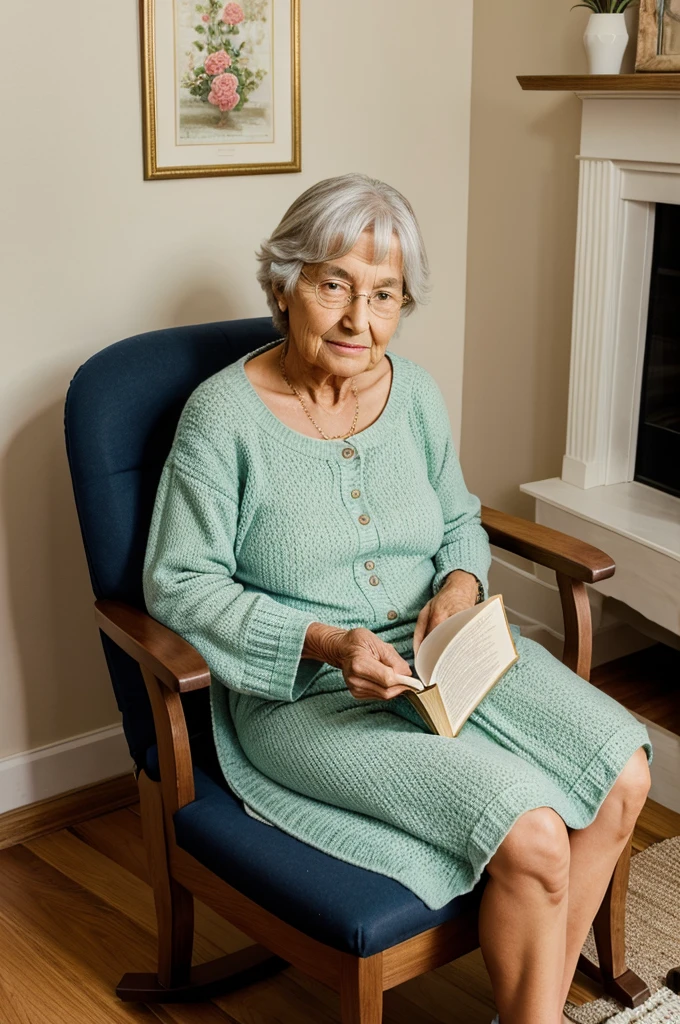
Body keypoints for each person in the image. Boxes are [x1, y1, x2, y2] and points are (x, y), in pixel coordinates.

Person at [142, 172, 653, 1024]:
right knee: (528, 834)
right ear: (285, 283)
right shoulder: (221, 418)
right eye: (333, 284)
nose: (358, 320)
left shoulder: (412, 392)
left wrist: (458, 584)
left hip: (447, 662)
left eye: (384, 295)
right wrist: (328, 645)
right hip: (305, 698)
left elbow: (459, 520)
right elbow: (178, 584)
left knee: (624, 775)